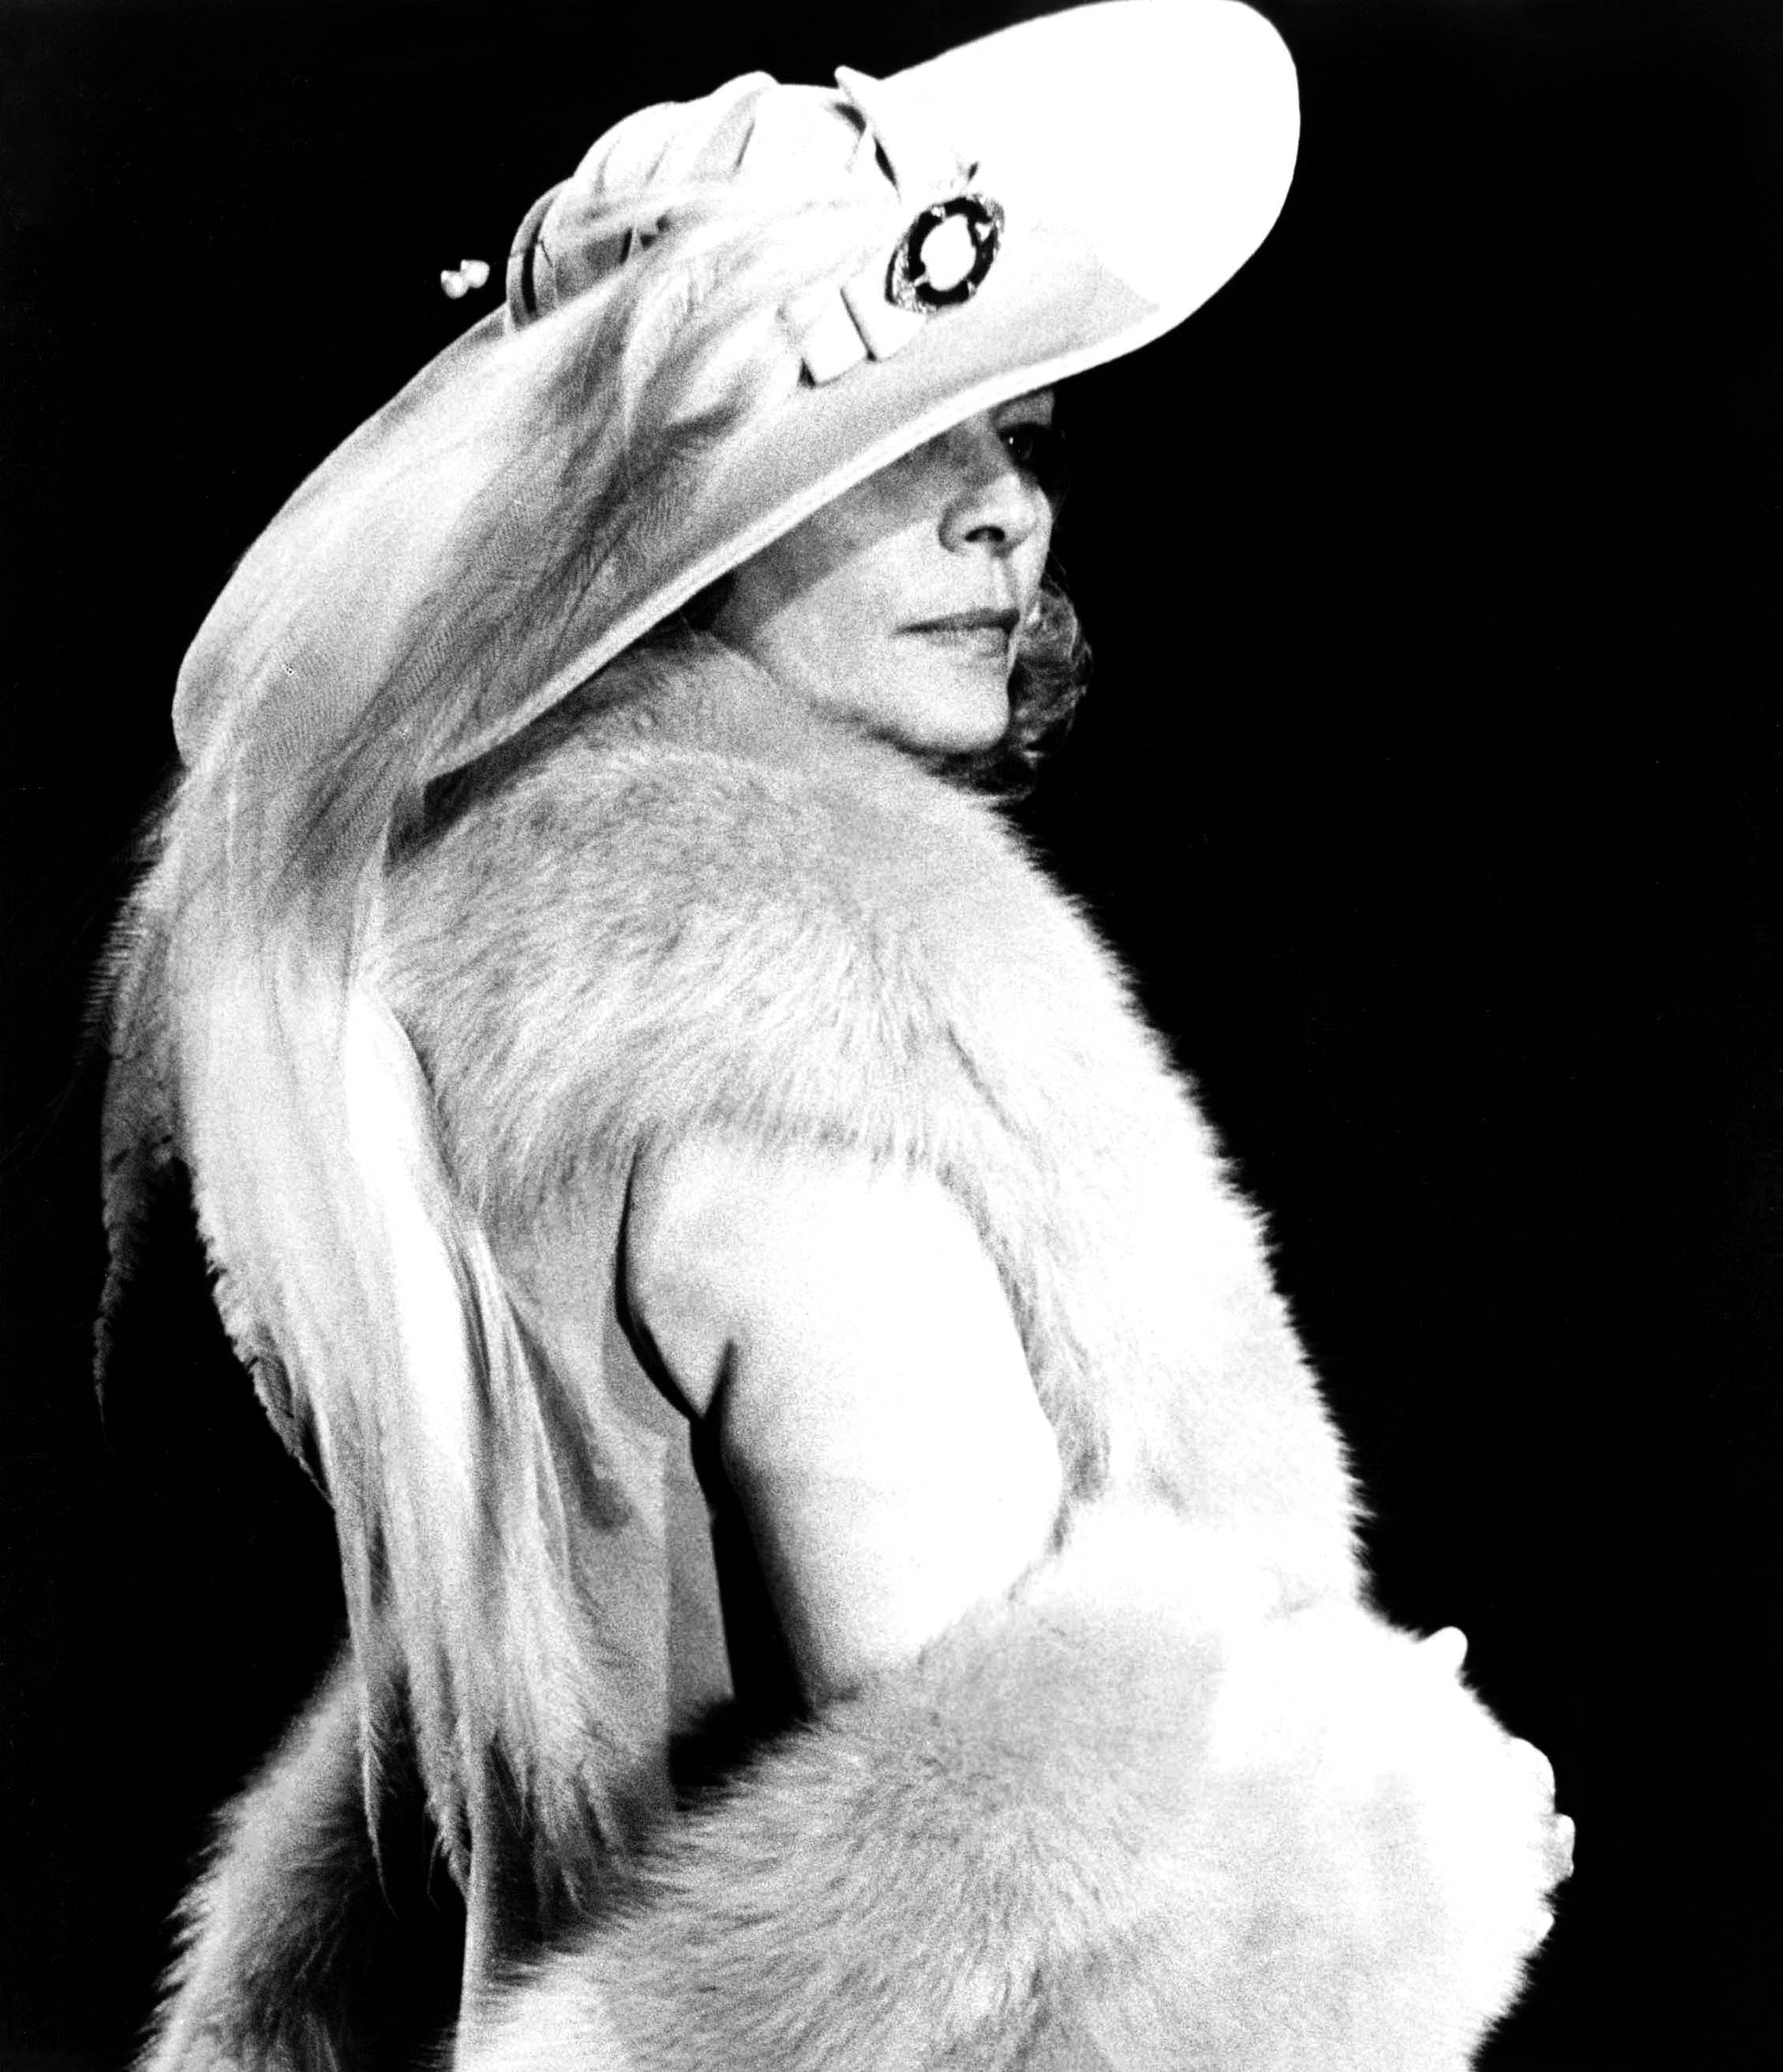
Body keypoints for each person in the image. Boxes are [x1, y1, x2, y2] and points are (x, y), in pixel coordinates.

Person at [99, 5, 1572, 2067]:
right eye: (887, 454)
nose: (1001, 518)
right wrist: (1421, 1849)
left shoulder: (459, 1029)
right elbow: (1019, 1966)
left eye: (1016, 438)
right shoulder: (800, 1096)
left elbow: (550, 1724)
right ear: (655, 547)